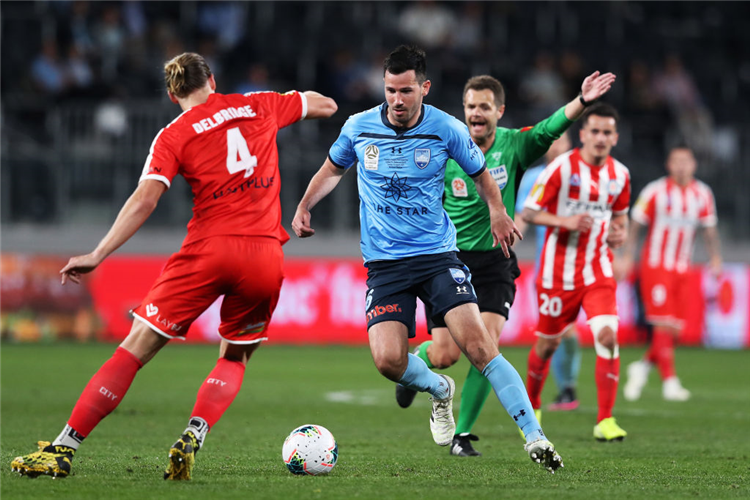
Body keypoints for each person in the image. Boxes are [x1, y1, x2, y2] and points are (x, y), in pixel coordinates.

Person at [11, 52, 337, 480]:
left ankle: (63, 448)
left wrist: (98, 253)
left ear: (172, 94)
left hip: (209, 250)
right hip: (264, 252)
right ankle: (195, 433)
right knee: (235, 356)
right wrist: (280, 103)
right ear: (212, 80)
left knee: (135, 349)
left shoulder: (173, 134)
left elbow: (145, 199)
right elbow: (326, 105)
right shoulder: (257, 104)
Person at [292, 45, 562, 473]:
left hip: (437, 256)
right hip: (384, 264)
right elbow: (332, 169)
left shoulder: (447, 128)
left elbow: (481, 175)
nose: (396, 100)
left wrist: (497, 211)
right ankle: (439, 390)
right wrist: (305, 205)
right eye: (389, 90)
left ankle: (535, 437)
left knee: (479, 346)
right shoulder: (359, 127)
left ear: (424, 87)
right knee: (388, 361)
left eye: (405, 91)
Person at [397, 70, 616, 458]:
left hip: (495, 262)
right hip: (448, 262)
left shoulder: (514, 145)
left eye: (484, 106)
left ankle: (461, 436)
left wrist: (581, 102)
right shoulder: (445, 148)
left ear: (499, 111)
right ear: (463, 111)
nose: (476, 113)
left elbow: (549, 129)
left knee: (487, 345)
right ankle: (420, 360)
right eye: (470, 106)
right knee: (447, 354)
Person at [520, 102, 631, 442]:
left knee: (608, 338)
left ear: (615, 137)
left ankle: (605, 420)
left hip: (597, 271)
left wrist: (619, 234)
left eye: (607, 132)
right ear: (583, 135)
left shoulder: (620, 175)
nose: (600, 137)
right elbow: (529, 212)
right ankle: (533, 405)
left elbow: (620, 219)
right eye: (594, 131)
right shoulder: (560, 169)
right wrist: (564, 221)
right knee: (547, 344)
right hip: (557, 274)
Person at [620, 145, 721, 402]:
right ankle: (670, 382)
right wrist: (629, 257)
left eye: (686, 161)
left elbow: (709, 229)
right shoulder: (655, 191)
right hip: (655, 266)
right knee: (662, 325)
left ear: (694, 165)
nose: (681, 166)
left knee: (674, 331)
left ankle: (642, 366)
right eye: (676, 161)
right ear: (668, 164)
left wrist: (716, 258)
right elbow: (636, 224)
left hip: (683, 268)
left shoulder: (703, 194)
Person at [516, 133, 582, 413]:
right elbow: (521, 218)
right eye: (552, 140)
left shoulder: (581, 176)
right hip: (550, 269)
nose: (556, 144)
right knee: (559, 332)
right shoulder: (533, 178)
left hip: (582, 267)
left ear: (570, 145)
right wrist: (505, 248)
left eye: (562, 140)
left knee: (567, 332)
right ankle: (564, 388)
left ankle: (565, 388)